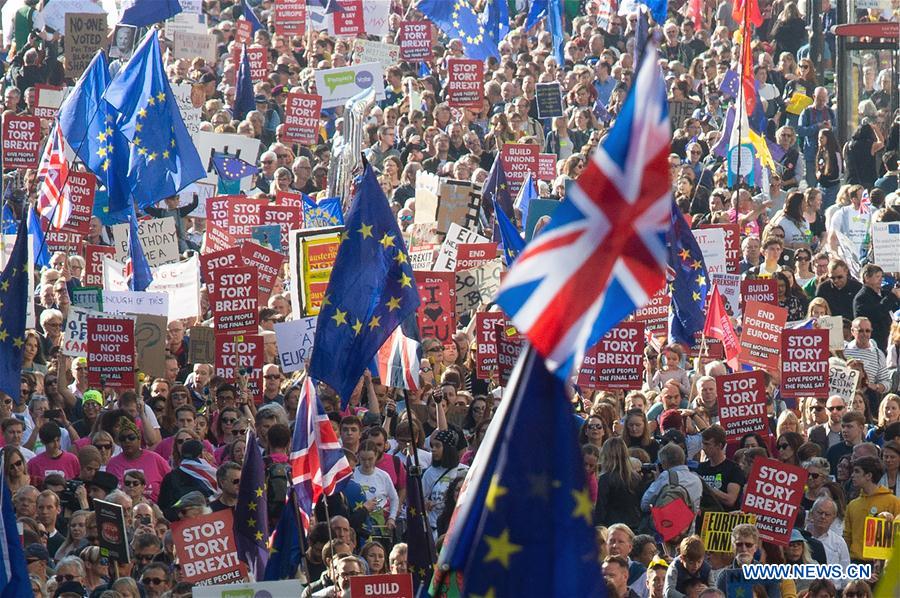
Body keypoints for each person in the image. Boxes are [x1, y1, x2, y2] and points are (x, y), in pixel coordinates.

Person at [844, 456, 900, 561]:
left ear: (868, 475)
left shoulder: (893, 502)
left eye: (857, 471)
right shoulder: (852, 505)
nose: (852, 475)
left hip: (882, 564)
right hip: (856, 563)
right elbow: (847, 536)